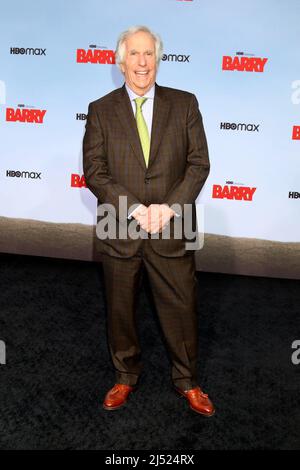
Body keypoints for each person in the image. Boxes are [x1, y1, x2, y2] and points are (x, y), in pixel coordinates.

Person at [83, 25, 214, 416]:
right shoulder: (100, 110)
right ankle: (125, 376)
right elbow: (95, 171)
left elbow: (198, 163)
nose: (142, 62)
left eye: (149, 54)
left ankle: (188, 381)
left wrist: (169, 207)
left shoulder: (185, 103)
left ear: (158, 60)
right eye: (135, 55)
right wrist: (137, 208)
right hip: (119, 225)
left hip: (173, 223)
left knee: (181, 305)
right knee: (120, 307)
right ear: (121, 62)